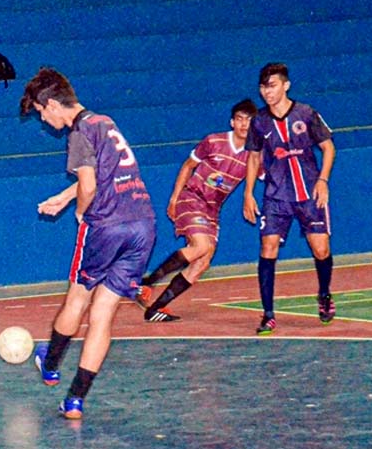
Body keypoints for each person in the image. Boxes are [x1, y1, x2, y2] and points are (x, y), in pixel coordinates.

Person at [20, 68, 156, 421]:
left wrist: (80, 211)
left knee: (78, 298)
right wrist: (66, 197)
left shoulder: (79, 132)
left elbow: (91, 187)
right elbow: (104, 175)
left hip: (107, 225)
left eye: (40, 111)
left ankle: (49, 364)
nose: (43, 119)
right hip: (142, 224)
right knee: (103, 315)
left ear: (51, 104)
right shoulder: (103, 122)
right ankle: (75, 400)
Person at [139, 98, 259, 321]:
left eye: (249, 121)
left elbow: (268, 177)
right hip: (192, 197)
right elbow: (188, 165)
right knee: (201, 245)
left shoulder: (254, 155)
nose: (244, 125)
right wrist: (174, 198)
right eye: (240, 119)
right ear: (232, 122)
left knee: (202, 261)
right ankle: (146, 283)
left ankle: (156, 308)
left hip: (213, 210)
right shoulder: (214, 141)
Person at [243, 62, 336, 335]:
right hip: (276, 196)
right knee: (268, 247)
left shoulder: (306, 114)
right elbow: (253, 158)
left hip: (309, 193)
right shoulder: (259, 122)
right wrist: (248, 193)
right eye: (263, 87)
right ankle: (269, 314)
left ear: (286, 85)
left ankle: (324, 294)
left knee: (321, 250)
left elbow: (328, 148)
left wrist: (323, 180)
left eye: (271, 86)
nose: (266, 92)